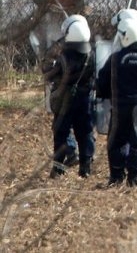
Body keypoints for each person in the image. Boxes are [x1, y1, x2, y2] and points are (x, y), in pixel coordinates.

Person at [96, 20, 137, 187]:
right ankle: (134, 177)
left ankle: (116, 176)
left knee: (116, 141)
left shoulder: (115, 59)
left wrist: (105, 96)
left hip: (120, 106)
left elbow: (102, 83)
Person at [46, 16, 95, 179]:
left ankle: (58, 168)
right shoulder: (90, 55)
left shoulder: (63, 56)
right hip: (84, 99)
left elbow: (50, 74)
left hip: (64, 100)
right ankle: (85, 167)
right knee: (85, 132)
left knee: (61, 133)